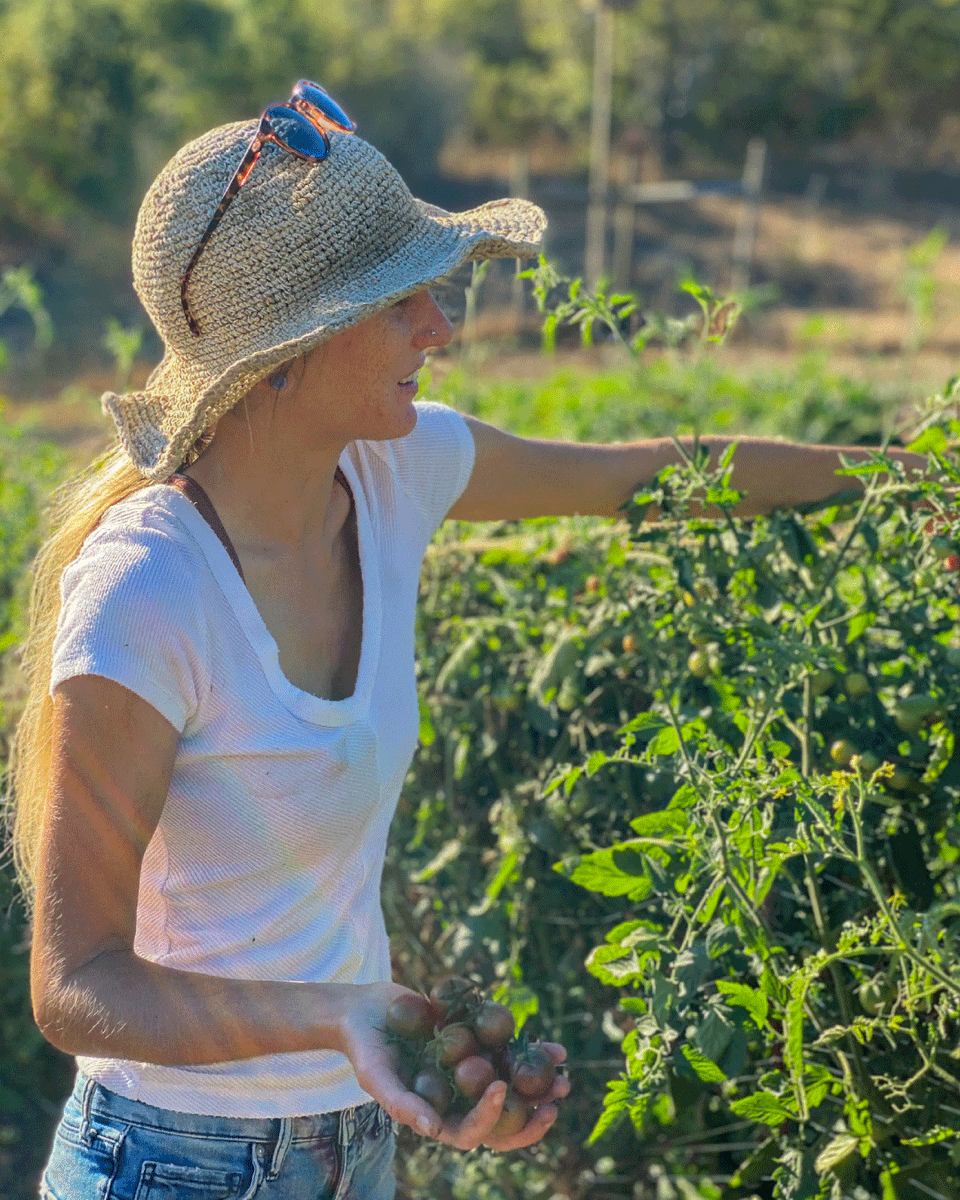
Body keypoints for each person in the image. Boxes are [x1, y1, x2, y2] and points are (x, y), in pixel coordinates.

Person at [6, 82, 927, 1200]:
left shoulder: (394, 474)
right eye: (400, 304)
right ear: (285, 352)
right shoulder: (150, 592)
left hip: (352, 1148)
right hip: (169, 1163)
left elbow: (642, 481)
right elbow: (77, 987)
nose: (439, 328)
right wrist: (336, 1018)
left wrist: (905, 479)